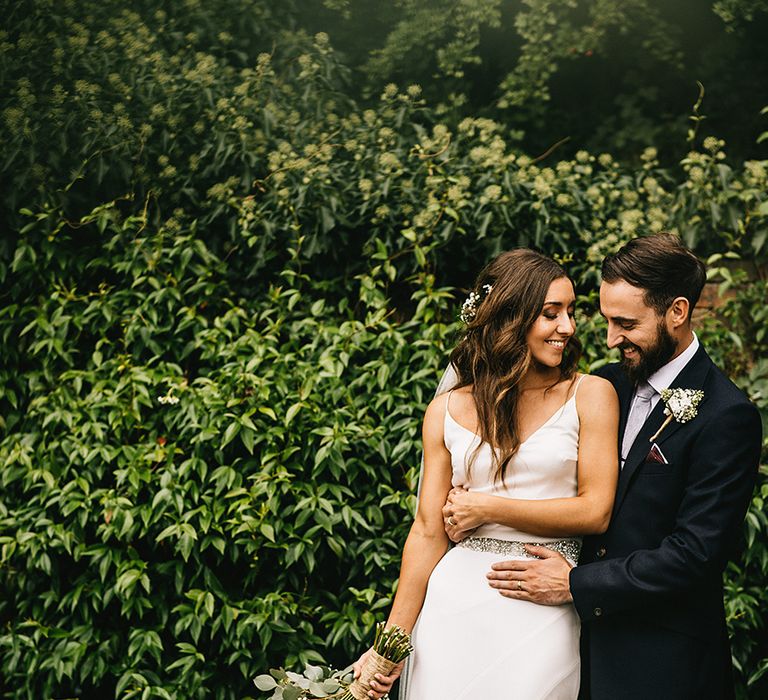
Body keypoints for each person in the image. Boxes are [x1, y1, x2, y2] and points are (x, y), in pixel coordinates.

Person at [484, 234, 762, 699]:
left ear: (677, 312)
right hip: (569, 650)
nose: (611, 338)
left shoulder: (726, 415)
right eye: (608, 320)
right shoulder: (606, 385)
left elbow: (694, 554)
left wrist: (575, 583)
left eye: (626, 323)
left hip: (661, 663)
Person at [352, 249, 620, 699]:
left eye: (570, 312)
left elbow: (596, 511)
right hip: (453, 605)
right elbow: (426, 532)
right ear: (509, 318)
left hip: (542, 602)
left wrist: (487, 506)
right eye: (551, 314)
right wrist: (390, 644)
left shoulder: (591, 395)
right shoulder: (445, 410)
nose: (568, 328)